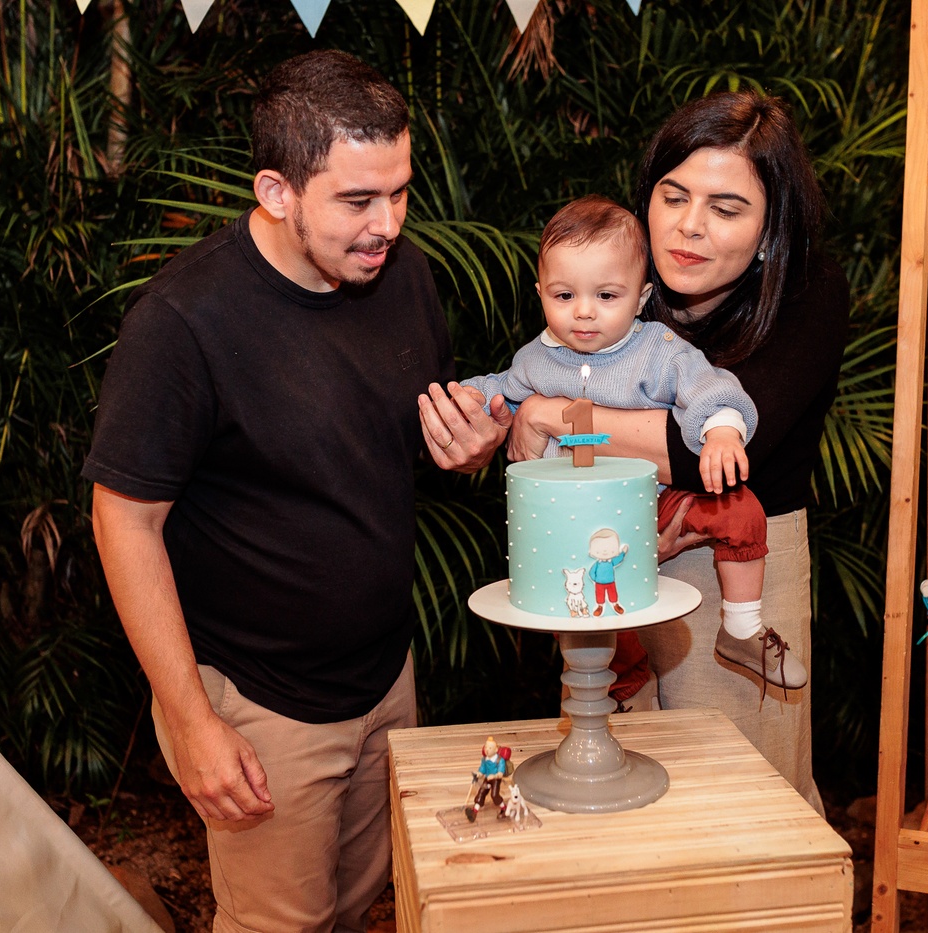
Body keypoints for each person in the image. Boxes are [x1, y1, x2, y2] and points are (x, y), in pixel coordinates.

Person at [84, 50, 501, 933]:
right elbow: (124, 522)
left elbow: (406, 441)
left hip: (385, 678)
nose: (387, 224)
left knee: (354, 911)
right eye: (358, 200)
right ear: (277, 192)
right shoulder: (182, 322)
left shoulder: (403, 273)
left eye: (401, 192)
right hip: (259, 700)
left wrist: (466, 450)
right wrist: (191, 722)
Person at [425, 91, 847, 813]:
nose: (689, 225)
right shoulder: (607, 280)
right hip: (605, 547)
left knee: (739, 795)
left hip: (735, 562)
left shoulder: (806, 293)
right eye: (673, 196)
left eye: (726, 208)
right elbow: (518, 398)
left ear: (771, 228)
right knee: (600, 771)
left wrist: (551, 412)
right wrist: (484, 425)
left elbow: (693, 451)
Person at [454, 195, 804, 706]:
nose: (584, 311)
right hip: (571, 518)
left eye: (606, 295)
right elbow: (498, 390)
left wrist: (723, 432)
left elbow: (709, 389)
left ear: (641, 298)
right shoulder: (536, 358)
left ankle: (742, 626)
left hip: (651, 501)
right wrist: (468, 399)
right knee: (591, 606)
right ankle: (619, 685)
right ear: (540, 294)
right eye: (564, 295)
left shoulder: (659, 351)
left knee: (740, 509)